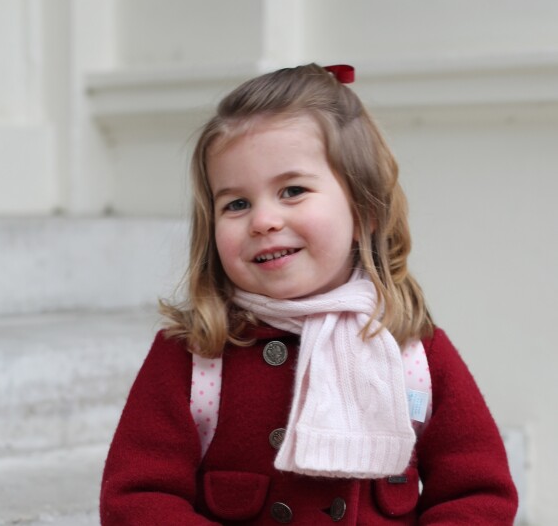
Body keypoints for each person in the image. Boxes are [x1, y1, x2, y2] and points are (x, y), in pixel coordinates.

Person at [100, 64, 518, 524]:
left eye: (292, 190)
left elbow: (478, 493)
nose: (263, 220)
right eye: (236, 203)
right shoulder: (197, 356)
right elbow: (137, 499)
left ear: (364, 210)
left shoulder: (411, 352)